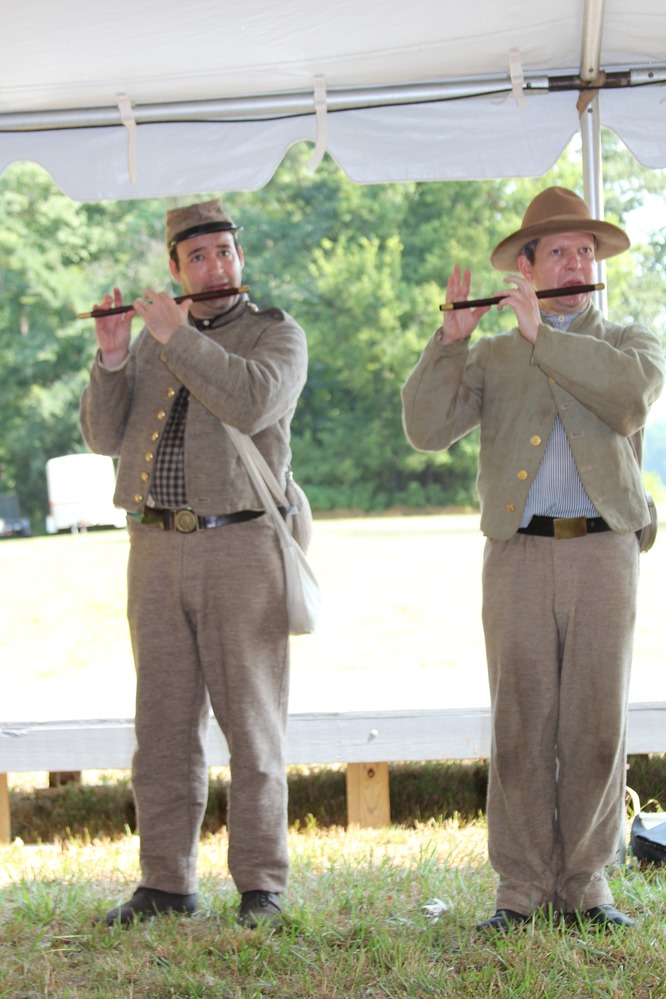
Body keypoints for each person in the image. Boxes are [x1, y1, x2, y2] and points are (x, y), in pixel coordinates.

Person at [402, 187, 665, 932]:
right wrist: (448, 341)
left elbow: (632, 399)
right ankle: (518, 888)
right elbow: (425, 428)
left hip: (605, 552)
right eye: (559, 250)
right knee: (520, 719)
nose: (577, 261)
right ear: (527, 266)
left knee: (595, 719)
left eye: (585, 250)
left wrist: (542, 337)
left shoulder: (631, 342)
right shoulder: (490, 353)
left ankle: (586, 884)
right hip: (518, 552)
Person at [80, 199, 309, 929]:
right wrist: (114, 357)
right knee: (163, 722)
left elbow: (251, 400)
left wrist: (175, 335)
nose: (217, 267)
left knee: (252, 720)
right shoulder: (152, 339)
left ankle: (260, 884)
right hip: (152, 545)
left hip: (240, 545)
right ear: (174, 267)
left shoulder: (275, 333)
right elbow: (102, 435)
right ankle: (167, 880)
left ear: (241, 257)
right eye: (199, 256)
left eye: (226, 252)